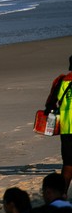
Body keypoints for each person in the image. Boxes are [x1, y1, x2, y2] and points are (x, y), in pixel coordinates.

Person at [45, 56, 72, 192]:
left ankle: (63, 195)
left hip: (67, 128)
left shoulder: (61, 80)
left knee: (68, 165)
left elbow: (50, 104)